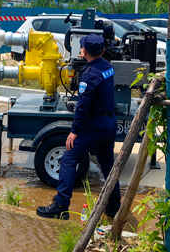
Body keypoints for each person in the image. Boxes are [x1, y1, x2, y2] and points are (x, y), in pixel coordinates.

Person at [36, 33, 121, 220]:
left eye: (82, 48)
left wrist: (74, 131)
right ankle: (114, 204)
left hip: (96, 125)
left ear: (84, 51)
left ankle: (60, 205)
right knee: (107, 164)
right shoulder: (108, 67)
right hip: (109, 123)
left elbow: (82, 106)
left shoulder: (90, 75)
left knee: (68, 158)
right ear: (103, 51)